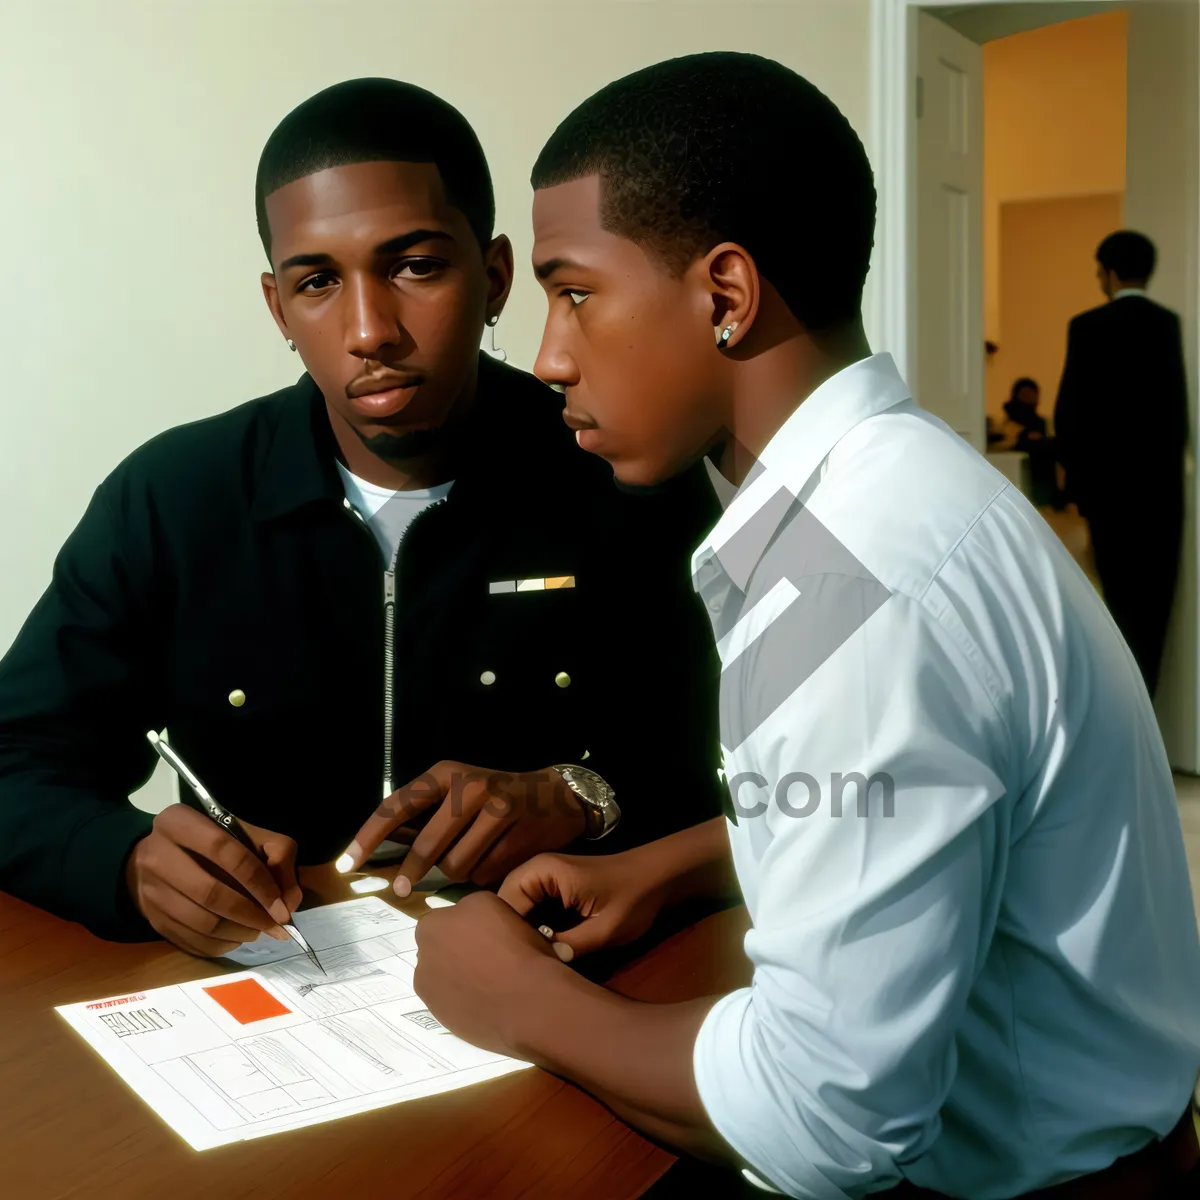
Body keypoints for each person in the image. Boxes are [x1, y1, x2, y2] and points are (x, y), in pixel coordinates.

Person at [396, 53, 1200, 1199]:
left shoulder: (850, 587)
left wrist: (522, 1002)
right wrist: (667, 872)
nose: (548, 356)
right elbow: (944, 810)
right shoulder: (899, 493)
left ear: (724, 295)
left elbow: (826, 1117)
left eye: (574, 292)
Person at [0, 78, 726, 959]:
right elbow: (16, 765)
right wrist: (122, 861)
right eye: (316, 282)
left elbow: (745, 776)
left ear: (494, 277)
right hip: (265, 1009)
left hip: (554, 980)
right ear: (278, 308)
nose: (369, 329)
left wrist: (579, 795)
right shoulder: (172, 497)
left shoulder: (625, 474)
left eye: (415, 266)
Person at [1055, 230, 1189, 696]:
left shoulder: (1087, 326)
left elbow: (1069, 414)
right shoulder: (1166, 324)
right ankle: (1146, 713)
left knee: (1114, 612)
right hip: (1162, 496)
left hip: (1109, 497)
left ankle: (1119, 722)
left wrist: (1075, 493)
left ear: (1109, 272)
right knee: (1154, 614)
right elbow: (1177, 416)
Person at [998, 377, 1062, 508]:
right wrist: (1024, 436)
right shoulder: (1006, 423)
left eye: (1032, 394)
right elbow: (1005, 442)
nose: (1029, 398)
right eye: (1025, 394)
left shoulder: (1043, 422)